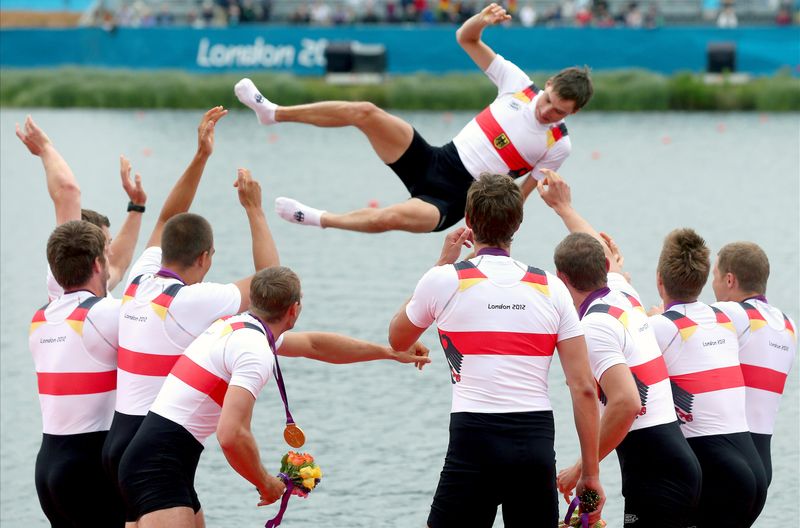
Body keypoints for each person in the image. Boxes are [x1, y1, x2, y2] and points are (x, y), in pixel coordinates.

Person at [234, 2, 592, 234]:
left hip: (455, 201)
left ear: (573, 113)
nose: (547, 111)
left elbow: (520, 196)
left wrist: (483, 230)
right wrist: (481, 21)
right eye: (549, 100)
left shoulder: (559, 145)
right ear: (546, 85)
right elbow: (465, 39)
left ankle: (315, 217)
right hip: (434, 159)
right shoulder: (517, 84)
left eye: (559, 111)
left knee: (388, 216)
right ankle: (273, 112)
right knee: (365, 112)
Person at [117, 266, 430, 526]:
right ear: (293, 310)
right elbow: (231, 433)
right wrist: (264, 482)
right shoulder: (254, 351)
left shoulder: (239, 327)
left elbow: (315, 346)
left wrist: (389, 352)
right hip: (159, 466)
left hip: (159, 459)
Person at [387, 173, 604, 527]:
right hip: (534, 444)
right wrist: (591, 475)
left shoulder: (445, 279)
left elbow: (397, 338)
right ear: (518, 223)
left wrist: (442, 262)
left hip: (473, 440)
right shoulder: (552, 287)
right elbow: (583, 388)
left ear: (469, 221)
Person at [537, 172, 702, 527]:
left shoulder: (593, 326)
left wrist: (585, 470)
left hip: (657, 476)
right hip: (674, 466)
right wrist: (563, 207)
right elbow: (596, 244)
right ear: (605, 267)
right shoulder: (622, 293)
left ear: (561, 278)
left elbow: (627, 402)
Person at [649, 229, 767, 528]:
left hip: (717, 472)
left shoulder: (659, 327)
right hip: (754, 469)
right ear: (703, 281)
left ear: (659, 280)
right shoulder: (727, 318)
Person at [30, 220, 125, 527]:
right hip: (88, 468)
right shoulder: (103, 314)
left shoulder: (40, 319)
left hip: (47, 467)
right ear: (98, 263)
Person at [16, 115, 147, 298]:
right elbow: (68, 192)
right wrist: (46, 149)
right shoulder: (64, 282)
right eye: (105, 244)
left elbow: (118, 265)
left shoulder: (93, 283)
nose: (111, 251)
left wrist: (137, 208)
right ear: (84, 248)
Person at [710, 242, 796, 487]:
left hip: (732, 456)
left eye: (714, 276)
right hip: (762, 464)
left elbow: (679, 320)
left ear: (729, 280)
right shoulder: (789, 324)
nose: (712, 284)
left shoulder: (732, 314)